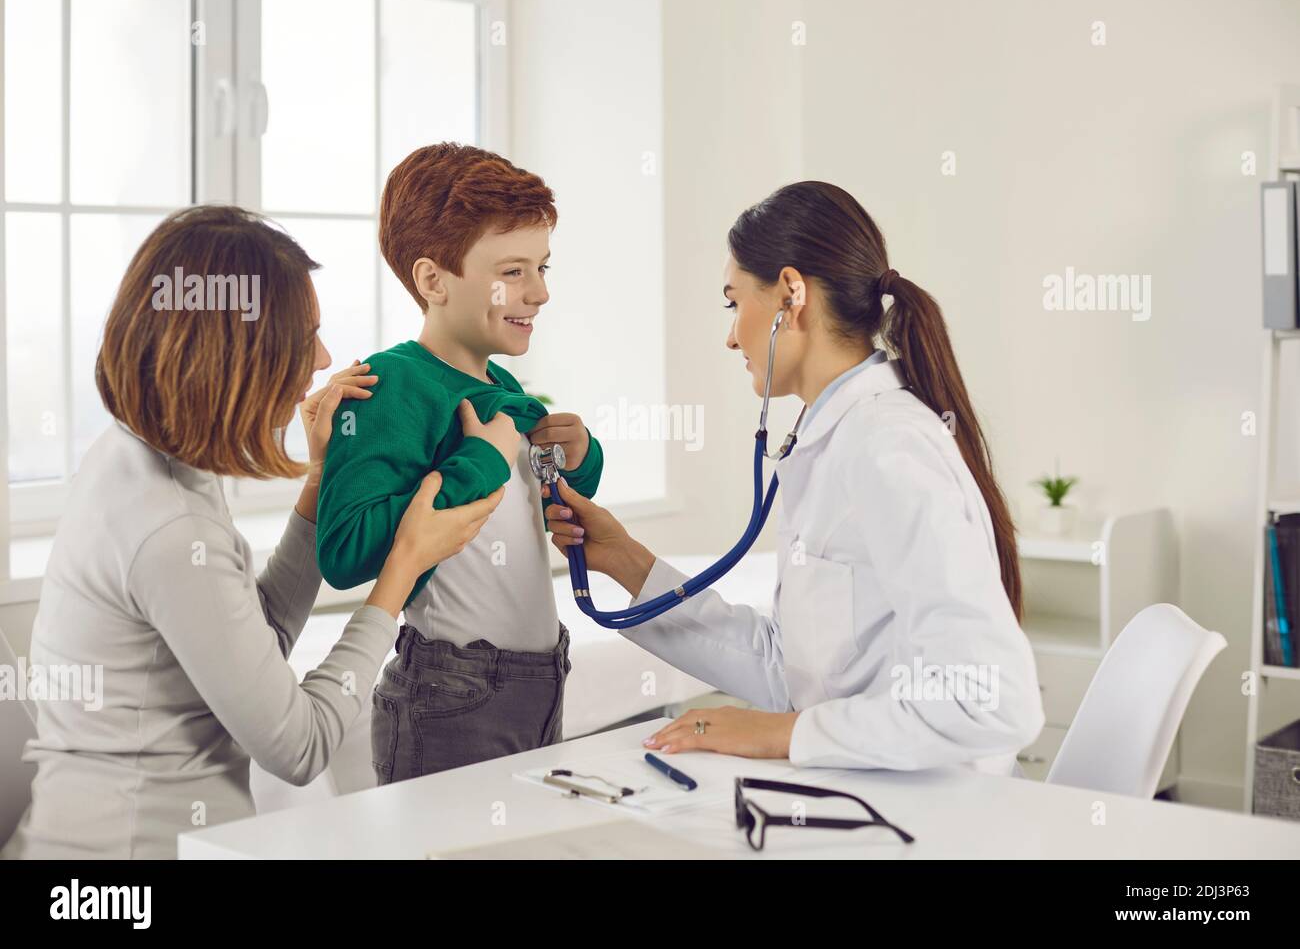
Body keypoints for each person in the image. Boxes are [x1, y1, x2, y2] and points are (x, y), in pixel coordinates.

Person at [2, 206, 502, 859]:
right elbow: (300, 746)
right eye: (305, 340)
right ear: (237, 354)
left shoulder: (138, 458)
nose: (324, 359)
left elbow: (246, 638)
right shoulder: (168, 525)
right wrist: (403, 567)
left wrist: (322, 483)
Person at [543, 181, 1045, 774]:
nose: (730, 336)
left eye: (733, 303)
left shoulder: (888, 448)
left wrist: (780, 734)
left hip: (926, 820)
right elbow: (791, 669)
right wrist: (624, 559)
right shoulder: (836, 436)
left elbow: (990, 702)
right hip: (865, 797)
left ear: (790, 293)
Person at [315, 143, 604, 781]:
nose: (541, 292)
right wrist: (480, 460)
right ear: (433, 280)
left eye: (543, 267)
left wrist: (580, 456)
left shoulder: (503, 389)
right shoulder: (387, 386)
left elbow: (545, 494)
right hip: (451, 695)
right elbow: (343, 552)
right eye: (515, 270)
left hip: (541, 680)